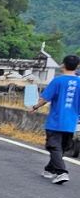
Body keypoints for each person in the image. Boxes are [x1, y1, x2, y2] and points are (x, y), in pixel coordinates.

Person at [30, 54, 79, 184]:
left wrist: (34, 107)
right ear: (77, 66)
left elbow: (45, 98)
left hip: (55, 121)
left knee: (54, 146)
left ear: (63, 65)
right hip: (71, 123)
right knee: (61, 148)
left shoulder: (58, 81)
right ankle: (49, 170)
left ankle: (62, 172)